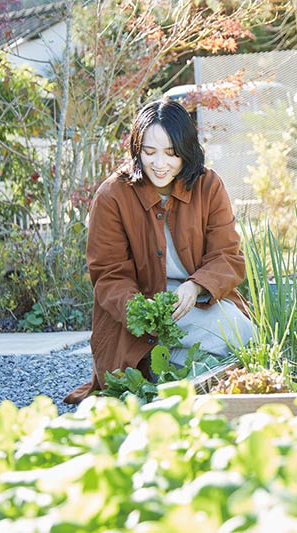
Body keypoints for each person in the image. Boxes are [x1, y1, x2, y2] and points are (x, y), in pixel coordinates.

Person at [64, 99, 254, 404]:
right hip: (139, 320)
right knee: (236, 346)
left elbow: (228, 256)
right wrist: (143, 312)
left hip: (199, 303)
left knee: (247, 337)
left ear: (186, 150)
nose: (159, 164)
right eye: (149, 153)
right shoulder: (112, 196)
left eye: (171, 153)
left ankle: (175, 378)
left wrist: (195, 286)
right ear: (137, 150)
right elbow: (109, 276)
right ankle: (176, 376)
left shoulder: (208, 186)